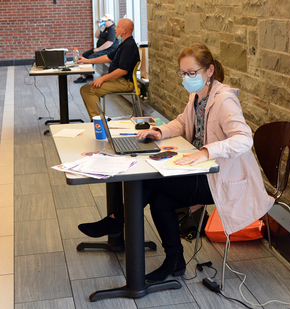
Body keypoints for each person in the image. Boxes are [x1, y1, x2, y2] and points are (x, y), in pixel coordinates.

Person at [78, 44, 274, 282]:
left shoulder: (224, 100)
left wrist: (206, 151)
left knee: (149, 183)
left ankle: (116, 221)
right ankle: (174, 261)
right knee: (160, 200)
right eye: (183, 73)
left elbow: (244, 140)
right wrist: (159, 132)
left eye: (192, 72)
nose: (187, 78)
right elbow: (182, 123)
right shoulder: (198, 94)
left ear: (209, 70)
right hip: (202, 170)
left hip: (221, 177)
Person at [78, 18, 140, 120]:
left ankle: (101, 122)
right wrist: (87, 61)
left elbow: (122, 70)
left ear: (124, 30)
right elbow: (107, 57)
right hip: (118, 80)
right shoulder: (123, 44)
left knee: (88, 91)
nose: (115, 28)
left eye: (118, 27)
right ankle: (101, 120)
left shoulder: (129, 46)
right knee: (85, 89)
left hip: (124, 83)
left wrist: (102, 78)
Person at [74, 14, 119, 84]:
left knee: (91, 57)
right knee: (85, 54)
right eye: (103, 21)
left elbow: (109, 43)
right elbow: (97, 36)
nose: (103, 22)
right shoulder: (106, 28)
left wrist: (98, 49)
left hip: (109, 51)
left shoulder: (112, 29)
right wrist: (99, 28)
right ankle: (89, 74)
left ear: (111, 21)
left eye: (105, 21)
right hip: (102, 49)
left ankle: (83, 76)